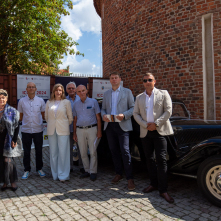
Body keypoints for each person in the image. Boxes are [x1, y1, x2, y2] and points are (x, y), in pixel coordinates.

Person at [133, 72, 174, 203]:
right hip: (146, 132)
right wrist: (145, 125)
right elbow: (135, 113)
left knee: (161, 159)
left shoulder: (163, 93)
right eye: (144, 80)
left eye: (149, 80)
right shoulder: (139, 97)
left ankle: (163, 190)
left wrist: (156, 124)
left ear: (154, 81)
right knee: (149, 159)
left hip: (160, 131)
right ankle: (153, 183)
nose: (147, 82)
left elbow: (168, 111)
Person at [101, 72, 135, 191]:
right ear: (109, 80)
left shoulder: (127, 92)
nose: (114, 79)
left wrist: (124, 115)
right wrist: (103, 115)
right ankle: (118, 173)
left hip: (123, 125)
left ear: (120, 79)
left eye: (116, 78)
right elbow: (103, 109)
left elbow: (133, 108)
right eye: (112, 78)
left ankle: (130, 178)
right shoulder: (106, 94)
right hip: (110, 126)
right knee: (114, 150)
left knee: (125, 151)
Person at [73, 85, 102, 181]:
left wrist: (99, 131)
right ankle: (87, 170)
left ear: (86, 91)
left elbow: (98, 118)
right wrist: (74, 133)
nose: (82, 93)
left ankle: (93, 171)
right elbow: (75, 119)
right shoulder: (76, 104)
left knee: (93, 151)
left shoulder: (93, 102)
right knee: (82, 151)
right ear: (77, 93)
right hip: (80, 130)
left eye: (83, 90)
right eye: (79, 91)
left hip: (92, 129)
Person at [45, 84, 73, 182]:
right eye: (56, 90)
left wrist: (63, 124)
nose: (58, 92)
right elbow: (46, 117)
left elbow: (70, 118)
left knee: (63, 153)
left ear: (62, 92)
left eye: (60, 90)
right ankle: (55, 174)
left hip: (63, 130)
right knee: (53, 153)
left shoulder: (66, 102)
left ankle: (63, 175)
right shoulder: (49, 102)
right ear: (53, 91)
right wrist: (54, 124)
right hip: (52, 130)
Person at [18, 82, 46, 179]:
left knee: (39, 151)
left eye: (32, 87)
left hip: (38, 129)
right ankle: (26, 170)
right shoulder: (21, 101)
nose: (31, 88)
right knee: (26, 151)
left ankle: (39, 169)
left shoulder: (41, 101)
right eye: (29, 87)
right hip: (26, 130)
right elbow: (20, 116)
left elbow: (43, 115)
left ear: (35, 89)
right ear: (26, 89)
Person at [0, 89, 22, 191]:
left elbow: (17, 126)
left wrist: (14, 139)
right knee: (1, 161)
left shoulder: (12, 111)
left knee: (8, 160)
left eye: (3, 98)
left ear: (6, 98)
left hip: (7, 139)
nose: (1, 100)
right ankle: (4, 182)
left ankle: (12, 182)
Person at [65, 81, 82, 172]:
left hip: (79, 127)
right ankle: (70, 167)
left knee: (81, 148)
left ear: (75, 90)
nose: (71, 90)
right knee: (69, 149)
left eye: (73, 88)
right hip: (67, 128)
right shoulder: (64, 100)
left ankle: (82, 167)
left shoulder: (81, 98)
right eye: (69, 88)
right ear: (66, 90)